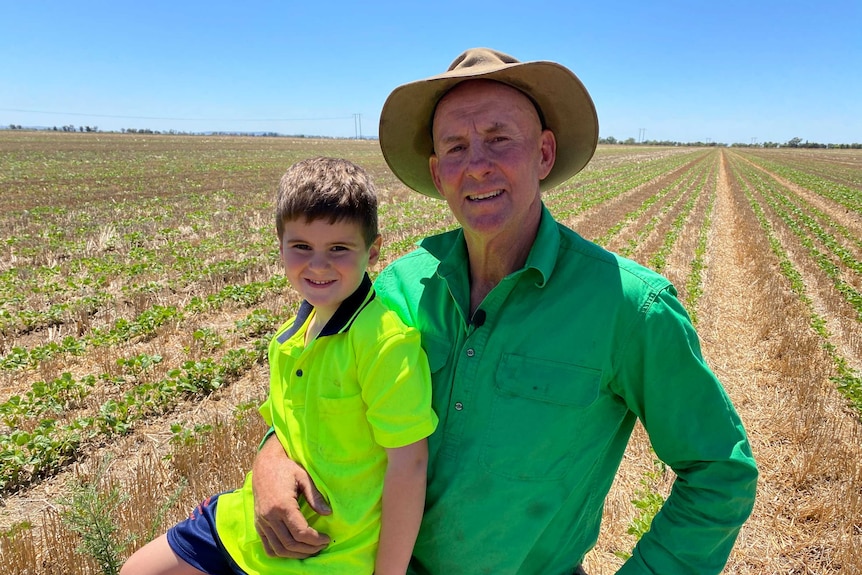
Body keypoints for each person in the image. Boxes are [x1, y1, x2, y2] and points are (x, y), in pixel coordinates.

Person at [251, 49, 759, 574]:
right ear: (436, 171)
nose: (476, 165)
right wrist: (271, 457)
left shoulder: (628, 307)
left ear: (543, 154)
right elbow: (312, 391)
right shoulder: (399, 285)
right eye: (455, 146)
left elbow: (719, 472)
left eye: (499, 139)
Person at [121, 157, 438, 575]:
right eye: (302, 247)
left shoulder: (383, 342)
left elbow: (409, 465)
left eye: (339, 248)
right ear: (280, 245)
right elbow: (286, 431)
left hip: (329, 555)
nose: (318, 265)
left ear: (373, 251)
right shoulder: (293, 330)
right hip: (252, 522)